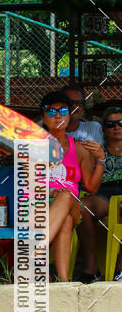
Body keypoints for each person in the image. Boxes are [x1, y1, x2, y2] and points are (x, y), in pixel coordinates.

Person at [39, 91, 104, 282]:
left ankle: (38, 253)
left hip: (72, 203)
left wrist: (100, 159)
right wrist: (51, 192)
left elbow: (91, 187)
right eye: (51, 112)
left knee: (66, 195)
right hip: (38, 205)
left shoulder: (79, 148)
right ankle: (64, 281)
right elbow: (27, 184)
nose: (57, 116)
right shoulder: (34, 146)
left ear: (69, 115)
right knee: (66, 220)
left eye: (63, 111)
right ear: (43, 117)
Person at [78, 104, 122, 281]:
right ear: (103, 129)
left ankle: (119, 267)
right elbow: (87, 181)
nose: (117, 127)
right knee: (82, 209)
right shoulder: (95, 149)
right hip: (105, 192)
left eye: (121, 122)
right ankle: (91, 267)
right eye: (111, 124)